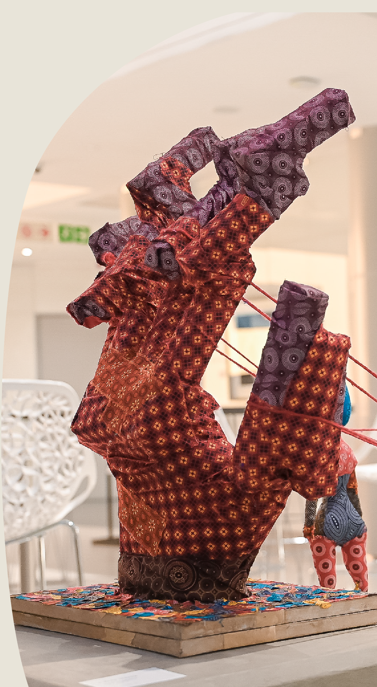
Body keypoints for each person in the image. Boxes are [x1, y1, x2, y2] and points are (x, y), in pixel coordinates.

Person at [66, 89, 356, 603]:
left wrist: (300, 338)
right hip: (118, 420)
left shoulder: (244, 508)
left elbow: (279, 437)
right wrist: (303, 339)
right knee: (161, 318)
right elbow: (280, 438)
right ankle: (201, 194)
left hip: (143, 423)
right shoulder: (241, 515)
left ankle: (244, 195)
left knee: (179, 302)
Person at [303, 387, 369, 592]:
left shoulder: (319, 453)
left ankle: (329, 600)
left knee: (327, 582)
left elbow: (312, 495)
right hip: (355, 522)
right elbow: (353, 490)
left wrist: (308, 525)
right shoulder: (347, 450)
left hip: (326, 524)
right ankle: (364, 600)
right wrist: (358, 516)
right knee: (361, 579)